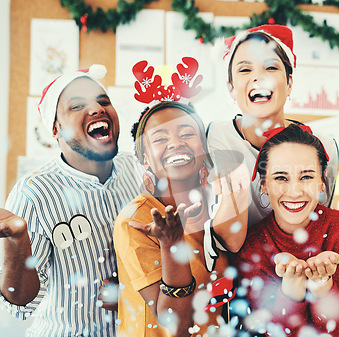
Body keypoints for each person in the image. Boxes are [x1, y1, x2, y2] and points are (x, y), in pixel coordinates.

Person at [0, 65, 141, 337]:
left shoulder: (137, 171)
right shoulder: (34, 192)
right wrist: (18, 241)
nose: (98, 109)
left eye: (103, 101)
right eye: (77, 106)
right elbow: (21, 305)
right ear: (55, 128)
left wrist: (131, 291)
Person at [113, 59, 249, 337]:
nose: (176, 143)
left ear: (204, 147)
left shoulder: (219, 202)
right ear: (146, 158)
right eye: (160, 138)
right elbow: (174, 322)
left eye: (187, 133)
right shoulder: (136, 220)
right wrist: (172, 244)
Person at [232, 124, 339, 336]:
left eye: (306, 176)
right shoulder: (251, 250)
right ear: (263, 183)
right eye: (281, 177)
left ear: (322, 180)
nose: (295, 191)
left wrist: (322, 284)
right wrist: (291, 287)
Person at [207, 24, 339, 227]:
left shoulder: (323, 145)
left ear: (289, 83)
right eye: (244, 69)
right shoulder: (214, 137)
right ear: (231, 89)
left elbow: (321, 220)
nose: (259, 77)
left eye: (271, 67)